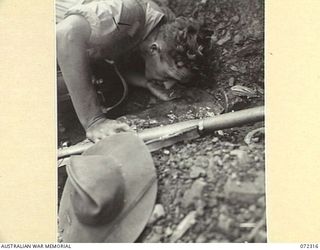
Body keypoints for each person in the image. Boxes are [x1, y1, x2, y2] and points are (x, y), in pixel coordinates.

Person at [56, 0, 207, 143]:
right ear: (154, 49)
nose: (168, 86)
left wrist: (146, 82)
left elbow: (117, 50)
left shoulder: (163, 28)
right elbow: (66, 34)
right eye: (168, 76)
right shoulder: (126, 14)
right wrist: (94, 120)